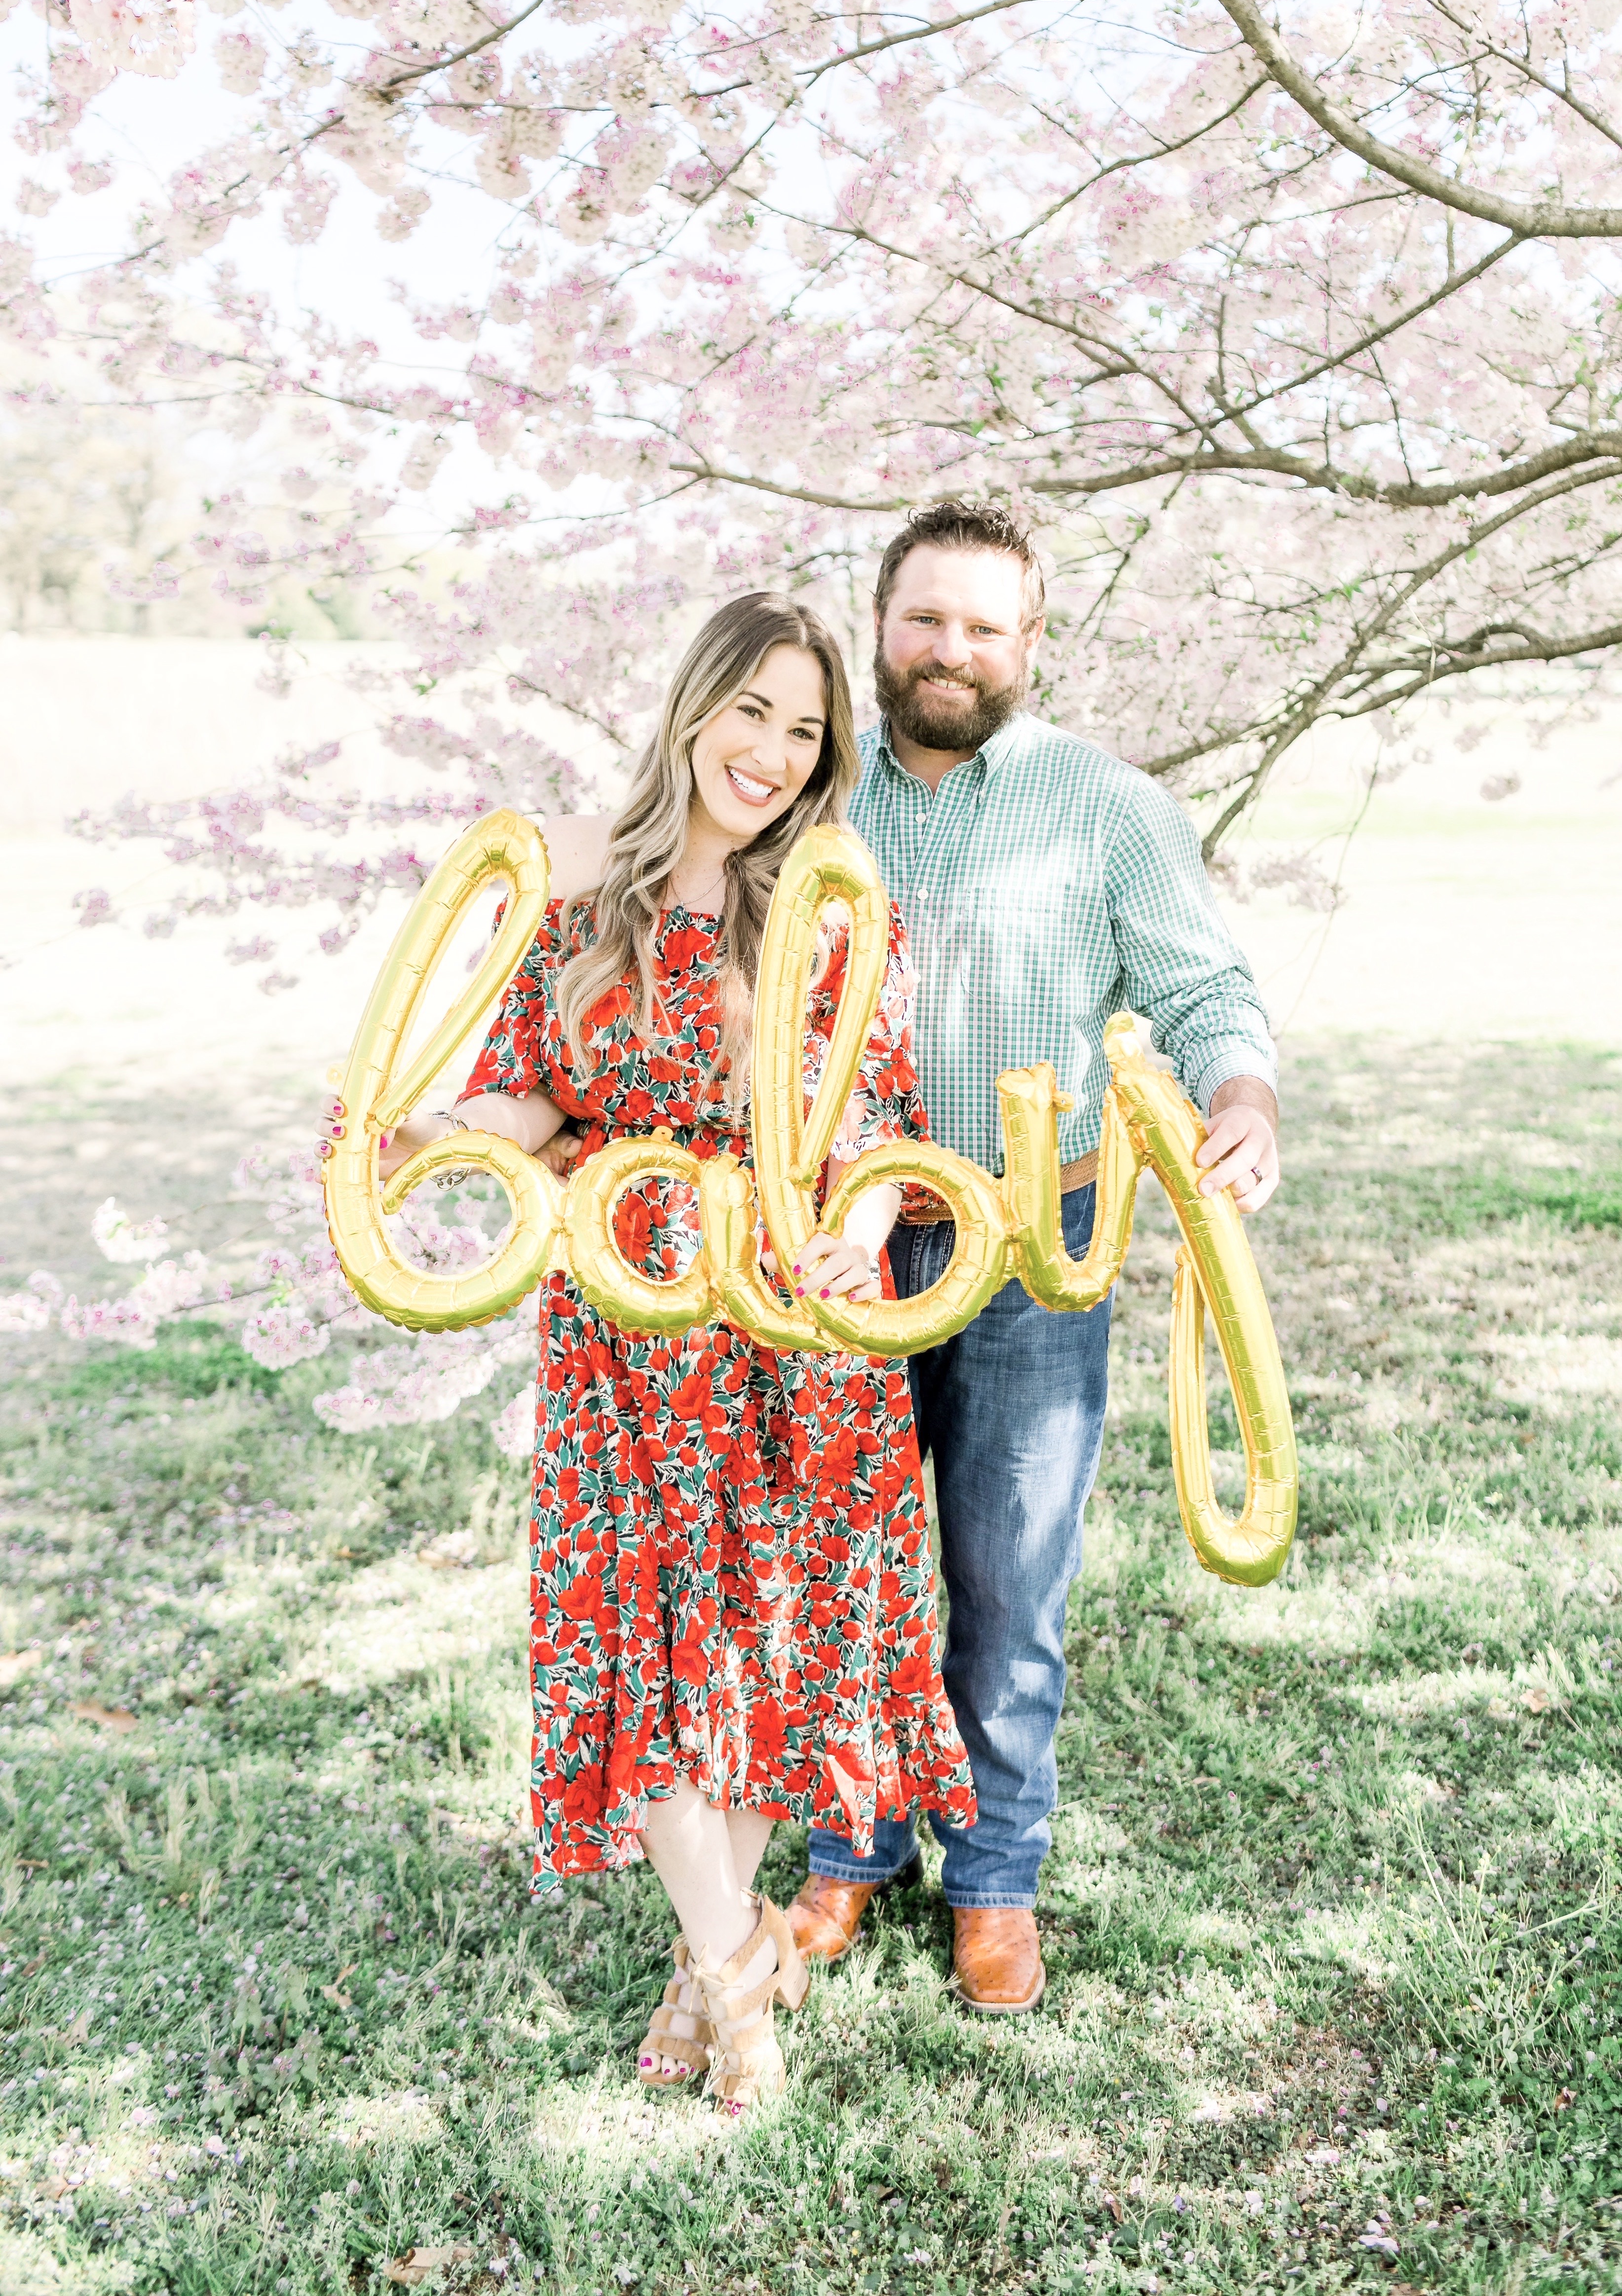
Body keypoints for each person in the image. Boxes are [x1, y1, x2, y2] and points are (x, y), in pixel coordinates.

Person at [362, 594, 975, 2114]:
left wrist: (870, 1219)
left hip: (787, 1322)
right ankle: (738, 1973)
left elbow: (885, 1120)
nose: (769, 753)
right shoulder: (580, 903)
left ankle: (714, 1970)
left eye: (804, 729)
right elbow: (523, 1096)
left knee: (769, 1656)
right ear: (694, 706)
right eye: (750, 711)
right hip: (625, 1326)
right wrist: (438, 1136)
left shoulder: (831, 910)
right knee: (629, 1652)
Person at [783, 501, 1281, 2014]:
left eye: (986, 626)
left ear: (1031, 641)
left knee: (1009, 1577)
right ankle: (847, 1849)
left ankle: (995, 1882)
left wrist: (1244, 1094)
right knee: (843, 1569)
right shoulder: (802, 796)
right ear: (880, 624)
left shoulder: (1104, 804)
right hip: (839, 1249)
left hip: (1032, 1241)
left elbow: (1203, 987)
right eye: (928, 619)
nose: (953, 651)